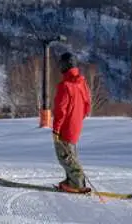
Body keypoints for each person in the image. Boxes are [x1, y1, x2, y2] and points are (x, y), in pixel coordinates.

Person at [52, 51, 92, 193]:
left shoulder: (65, 85)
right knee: (70, 153)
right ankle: (71, 180)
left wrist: (56, 129)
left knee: (64, 156)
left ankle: (77, 182)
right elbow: (87, 105)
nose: (60, 67)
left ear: (66, 65)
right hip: (76, 125)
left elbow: (60, 110)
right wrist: (77, 117)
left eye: (61, 64)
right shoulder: (82, 83)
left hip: (65, 126)